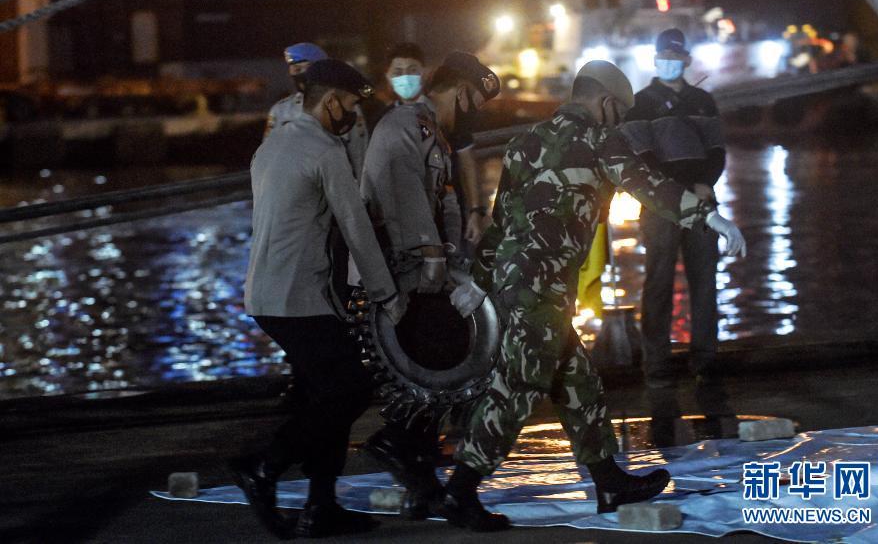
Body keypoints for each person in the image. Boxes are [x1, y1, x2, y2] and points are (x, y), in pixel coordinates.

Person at [439, 60, 746, 531]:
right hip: (541, 287)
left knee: (578, 382)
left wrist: (480, 281)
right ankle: (460, 492)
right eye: (618, 112)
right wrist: (709, 217)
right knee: (518, 387)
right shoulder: (601, 140)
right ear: (605, 103)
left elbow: (502, 220)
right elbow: (650, 186)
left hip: (518, 280)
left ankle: (608, 482)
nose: (619, 122)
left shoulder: (526, 142)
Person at [234, 59, 407, 539]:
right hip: (299, 296)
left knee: (324, 394)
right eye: (349, 104)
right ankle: (264, 467)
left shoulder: (271, 146)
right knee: (351, 388)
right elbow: (355, 227)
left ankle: (321, 506)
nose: (351, 115)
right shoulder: (325, 151)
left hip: (265, 292)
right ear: (331, 102)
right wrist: (386, 293)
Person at [359, 51, 500, 520]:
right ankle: (397, 445)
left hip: (420, 266)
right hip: (408, 270)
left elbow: (439, 197)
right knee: (436, 359)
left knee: (431, 365)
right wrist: (434, 259)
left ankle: (420, 482)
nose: (472, 112)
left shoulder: (428, 129)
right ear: (459, 91)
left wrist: (453, 249)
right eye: (472, 100)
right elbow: (404, 200)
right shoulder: (407, 127)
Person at [623, 28, 728, 406]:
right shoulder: (639, 104)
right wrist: (684, 189)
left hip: (700, 201)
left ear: (686, 60)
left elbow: (717, 151)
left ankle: (706, 361)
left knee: (706, 282)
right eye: (663, 56)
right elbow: (644, 157)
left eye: (674, 56)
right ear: (655, 60)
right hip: (660, 207)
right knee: (658, 282)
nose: (668, 61)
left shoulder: (703, 101)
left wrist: (703, 183)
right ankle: (656, 365)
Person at [265, 42, 370, 179]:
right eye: (296, 69)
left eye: (308, 68)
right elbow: (268, 157)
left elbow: (360, 153)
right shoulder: (281, 111)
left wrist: (361, 189)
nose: (302, 74)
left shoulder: (345, 105)